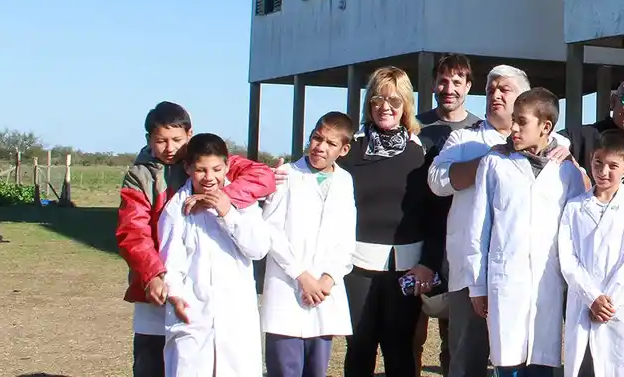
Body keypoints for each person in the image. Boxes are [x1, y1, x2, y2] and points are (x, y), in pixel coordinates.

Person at [115, 101, 275, 377]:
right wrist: (154, 275)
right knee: (155, 362)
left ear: (189, 135)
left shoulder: (212, 161)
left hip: (225, 303)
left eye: (177, 139)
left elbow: (263, 177)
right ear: (148, 140)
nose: (170, 148)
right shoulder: (141, 176)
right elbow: (134, 232)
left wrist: (219, 202)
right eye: (161, 141)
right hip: (160, 286)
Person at [429, 65, 570, 377]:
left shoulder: (559, 147)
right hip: (474, 273)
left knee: (531, 358)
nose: (495, 95)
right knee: (468, 358)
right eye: (491, 89)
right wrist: (490, 158)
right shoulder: (464, 139)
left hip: (534, 275)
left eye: (504, 89)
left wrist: (568, 160)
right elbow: (437, 181)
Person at [464, 87, 587, 377]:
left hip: (548, 284)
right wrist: (477, 286)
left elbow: (575, 233)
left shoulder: (566, 173)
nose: (514, 128)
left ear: (546, 127)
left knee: (542, 363)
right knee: (508, 362)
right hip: (506, 282)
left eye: (522, 122)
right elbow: (479, 228)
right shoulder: (495, 164)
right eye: (513, 120)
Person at [340, 67, 438, 377]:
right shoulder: (349, 151)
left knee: (400, 348)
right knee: (359, 345)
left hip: (406, 268)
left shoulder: (423, 153)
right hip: (356, 265)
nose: (386, 107)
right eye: (378, 99)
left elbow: (435, 215)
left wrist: (428, 262)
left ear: (406, 105)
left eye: (395, 101)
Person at [159, 134, 272, 377]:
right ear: (188, 168)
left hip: (235, 316)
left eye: (216, 169)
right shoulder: (176, 209)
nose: (209, 178)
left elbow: (258, 248)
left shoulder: (244, 203)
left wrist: (227, 212)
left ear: (228, 166)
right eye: (201, 170)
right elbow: (170, 261)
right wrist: (175, 296)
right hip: (192, 315)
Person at [262, 112, 359, 377]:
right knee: (285, 369)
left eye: (330, 143)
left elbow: (346, 238)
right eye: (317, 138)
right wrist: (301, 276)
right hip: (288, 286)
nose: (320, 147)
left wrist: (328, 279)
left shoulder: (345, 181)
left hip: (323, 294)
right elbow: (271, 230)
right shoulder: (285, 174)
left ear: (344, 149)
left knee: (316, 370)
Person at [560, 130, 624, 376]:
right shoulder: (574, 207)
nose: (603, 172)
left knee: (622, 364)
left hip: (621, 306)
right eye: (598, 163)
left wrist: (609, 301)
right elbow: (567, 257)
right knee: (586, 366)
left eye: (613, 166)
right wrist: (591, 297)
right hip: (584, 304)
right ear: (591, 159)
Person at [415, 54, 483, 375]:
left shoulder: (478, 131)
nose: (449, 88)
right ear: (433, 84)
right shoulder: (417, 128)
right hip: (418, 239)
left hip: (458, 243)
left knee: (453, 338)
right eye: (443, 81)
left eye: (457, 82)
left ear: (468, 86)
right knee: (412, 334)